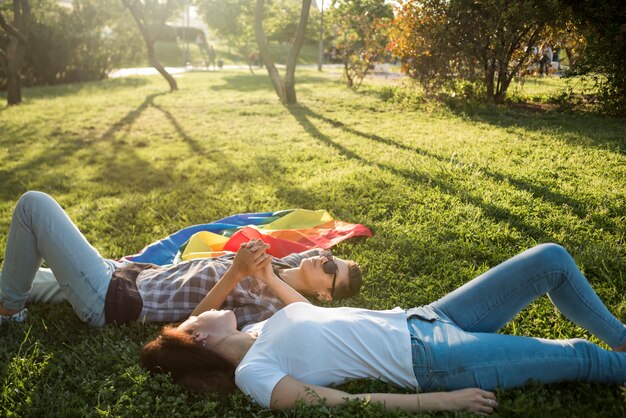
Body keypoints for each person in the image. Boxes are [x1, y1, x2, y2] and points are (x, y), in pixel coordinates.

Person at [141, 243, 626, 414]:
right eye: (191, 323)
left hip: (429, 315)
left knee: (550, 259)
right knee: (581, 355)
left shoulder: (262, 330)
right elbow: (351, 404)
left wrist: (265, 275)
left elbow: (309, 312)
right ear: (197, 338)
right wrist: (443, 401)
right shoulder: (255, 375)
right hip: (432, 360)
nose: (198, 313)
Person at [0, 191, 362, 328]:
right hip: (125, 273)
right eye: (327, 256)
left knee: (34, 206)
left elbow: (194, 325)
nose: (321, 258)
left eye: (330, 268)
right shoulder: (284, 266)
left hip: (112, 299)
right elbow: (310, 254)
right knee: (12, 275)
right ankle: (10, 296)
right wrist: (319, 252)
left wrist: (236, 273)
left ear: (325, 295)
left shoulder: (272, 307)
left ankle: (8, 312)